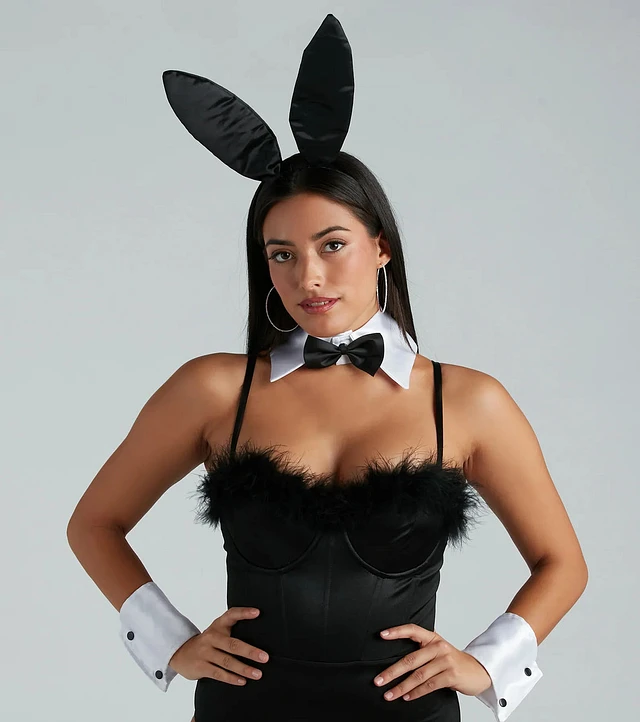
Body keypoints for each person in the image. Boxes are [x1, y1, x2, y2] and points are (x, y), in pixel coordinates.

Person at [66, 14, 588, 722]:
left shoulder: (466, 402)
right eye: (281, 254)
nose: (308, 276)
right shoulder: (215, 391)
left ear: (381, 247)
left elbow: (563, 563)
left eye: (332, 244)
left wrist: (485, 663)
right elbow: (95, 523)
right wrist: (173, 644)